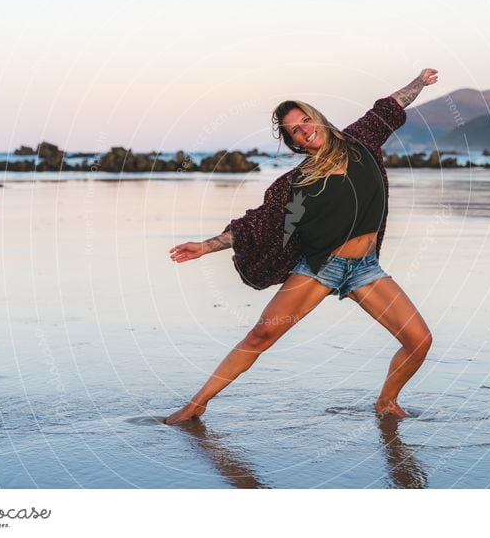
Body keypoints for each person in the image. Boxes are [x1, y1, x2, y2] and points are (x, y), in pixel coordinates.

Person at [165, 68, 439, 425]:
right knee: (261, 334)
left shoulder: (360, 141)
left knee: (419, 340)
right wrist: (206, 246)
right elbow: (256, 223)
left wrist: (419, 81)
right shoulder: (296, 181)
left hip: (366, 269)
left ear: (318, 119)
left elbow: (390, 106)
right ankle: (197, 404)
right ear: (294, 143)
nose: (304, 129)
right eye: (295, 130)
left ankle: (387, 401)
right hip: (321, 267)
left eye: (305, 120)